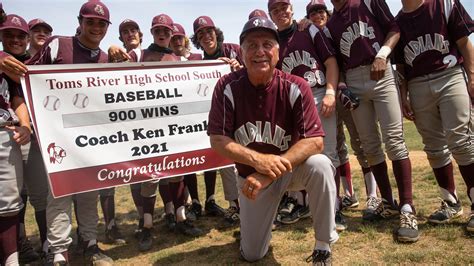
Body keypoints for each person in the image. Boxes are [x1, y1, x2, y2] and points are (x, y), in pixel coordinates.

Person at [208, 16, 338, 264]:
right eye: (252, 45)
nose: (260, 52)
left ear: (278, 52)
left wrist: (269, 170)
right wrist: (258, 160)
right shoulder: (227, 86)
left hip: (287, 171)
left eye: (267, 44)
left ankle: (323, 244)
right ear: (242, 52)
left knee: (320, 165)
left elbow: (315, 141)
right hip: (251, 180)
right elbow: (217, 139)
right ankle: (255, 230)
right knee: (253, 254)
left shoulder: (296, 86)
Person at [26, 1, 115, 264]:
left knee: (89, 191)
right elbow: (26, 75)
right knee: (60, 193)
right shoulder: (57, 45)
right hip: (57, 136)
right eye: (90, 21)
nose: (96, 27)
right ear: (80, 22)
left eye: (102, 23)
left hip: (90, 138)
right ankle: (59, 251)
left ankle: (89, 242)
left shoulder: (105, 59)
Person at [326, 0, 419, 243]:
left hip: (380, 70)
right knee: (369, 145)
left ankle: (408, 208)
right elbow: (336, 59)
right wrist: (343, 85)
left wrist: (383, 54)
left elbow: (394, 28)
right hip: (354, 81)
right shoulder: (332, 21)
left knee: (394, 141)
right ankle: (388, 202)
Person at [395, 0, 474, 231]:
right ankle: (450, 202)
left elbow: (464, 43)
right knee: (434, 146)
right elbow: (400, 66)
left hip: (449, 76)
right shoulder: (398, 21)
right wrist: (403, 94)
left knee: (461, 141)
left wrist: (472, 77)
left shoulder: (444, 3)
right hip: (417, 84)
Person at [267, 0, 345, 230]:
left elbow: (331, 61)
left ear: (292, 9)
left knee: (329, 153)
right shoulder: (272, 41)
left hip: (319, 93)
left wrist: (331, 91)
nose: (281, 12)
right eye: (276, 9)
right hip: (293, 101)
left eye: (284, 7)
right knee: (298, 156)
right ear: (271, 15)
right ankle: (304, 204)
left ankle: (335, 208)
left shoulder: (308, 28)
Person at [306, 0, 380, 213]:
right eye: (312, 13)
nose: (317, 14)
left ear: (327, 13)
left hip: (346, 91)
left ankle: (373, 196)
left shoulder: (334, 30)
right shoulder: (310, 36)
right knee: (337, 146)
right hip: (327, 96)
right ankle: (348, 195)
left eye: (320, 10)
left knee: (361, 142)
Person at [188, 15, 242, 226]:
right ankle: (235, 205)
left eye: (209, 31)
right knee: (227, 161)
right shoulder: (201, 64)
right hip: (222, 116)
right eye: (201, 34)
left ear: (216, 33)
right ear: (197, 40)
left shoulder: (234, 49)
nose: (206, 36)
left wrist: (239, 66)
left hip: (243, 110)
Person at [0, 13, 32, 266]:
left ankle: (12, 259)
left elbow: (16, 98)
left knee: (10, 201)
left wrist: (26, 125)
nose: (14, 39)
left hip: (5, 132)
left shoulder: (14, 65)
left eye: (20, 35)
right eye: (8, 34)